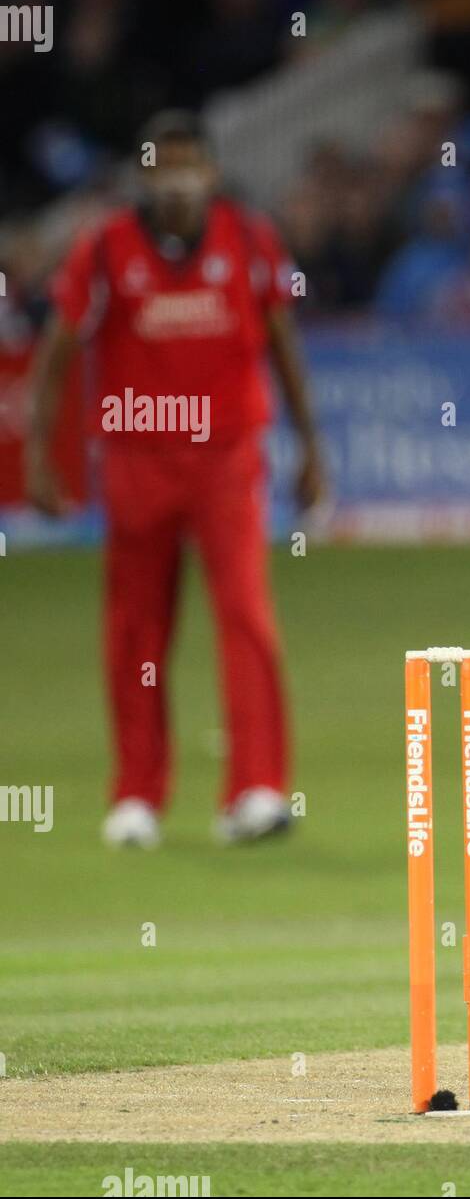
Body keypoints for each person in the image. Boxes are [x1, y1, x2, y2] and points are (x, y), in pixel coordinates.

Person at [24, 111, 327, 848]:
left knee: (246, 617)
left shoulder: (251, 240)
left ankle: (253, 790)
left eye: (191, 164)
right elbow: (59, 352)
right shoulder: (104, 249)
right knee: (136, 631)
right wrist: (39, 452)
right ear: (144, 172)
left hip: (227, 456)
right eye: (165, 164)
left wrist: (311, 446)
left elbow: (283, 344)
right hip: (137, 458)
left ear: (213, 173)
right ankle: (136, 796)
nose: (179, 179)